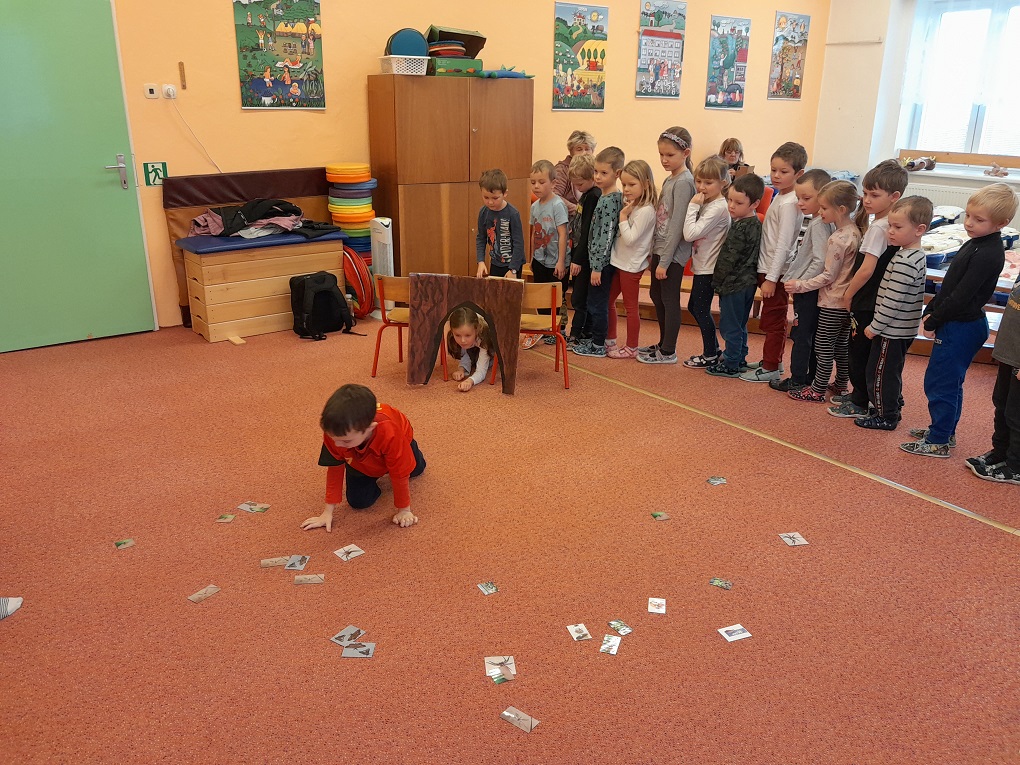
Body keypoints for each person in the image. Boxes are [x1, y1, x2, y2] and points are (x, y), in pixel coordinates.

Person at [901, 183, 1019, 456]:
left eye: (979, 220)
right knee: (948, 381)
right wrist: (931, 309)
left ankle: (939, 440)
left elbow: (962, 296)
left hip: (962, 326)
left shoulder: (989, 252)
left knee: (941, 382)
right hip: (957, 321)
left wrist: (933, 321)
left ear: (1001, 224)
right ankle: (944, 430)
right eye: (968, 215)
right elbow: (951, 285)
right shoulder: (975, 243)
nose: (969, 223)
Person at [828, 159, 909, 418]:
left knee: (859, 351)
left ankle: (861, 400)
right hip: (876, 298)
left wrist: (848, 293)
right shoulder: (888, 225)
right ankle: (865, 395)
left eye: (874, 195)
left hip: (867, 299)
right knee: (866, 351)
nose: (866, 200)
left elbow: (866, 269)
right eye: (864, 193)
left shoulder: (879, 228)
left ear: (894, 197)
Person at [849, 196, 931, 430]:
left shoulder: (905, 260)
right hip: (898, 328)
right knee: (889, 370)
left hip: (892, 330)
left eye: (897, 227)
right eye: (890, 226)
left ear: (919, 230)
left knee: (880, 373)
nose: (890, 232)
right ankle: (892, 405)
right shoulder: (911, 254)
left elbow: (893, 301)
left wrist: (875, 327)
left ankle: (886, 415)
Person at [301, 384, 425, 531]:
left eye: (345, 441)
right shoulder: (336, 433)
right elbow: (334, 469)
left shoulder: (389, 431)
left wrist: (404, 510)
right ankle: (374, 468)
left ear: (369, 428)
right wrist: (327, 513)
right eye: (334, 439)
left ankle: (412, 454)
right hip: (357, 457)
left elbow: (400, 473)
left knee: (416, 469)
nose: (337, 445)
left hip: (398, 442)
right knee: (359, 501)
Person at [784, 180, 862, 402]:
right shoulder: (855, 231)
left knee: (823, 347)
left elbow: (828, 275)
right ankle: (841, 384)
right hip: (844, 301)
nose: (821, 211)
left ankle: (817, 390)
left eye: (825, 208)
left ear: (841, 209)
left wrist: (800, 285)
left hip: (832, 302)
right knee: (840, 347)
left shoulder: (838, 238)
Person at [740, 142, 807, 382]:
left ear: (799, 174)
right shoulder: (781, 196)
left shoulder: (790, 204)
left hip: (775, 272)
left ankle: (770, 367)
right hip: (768, 268)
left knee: (775, 320)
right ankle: (772, 361)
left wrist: (771, 278)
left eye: (783, 171)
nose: (776, 175)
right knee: (770, 319)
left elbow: (784, 245)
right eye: (773, 170)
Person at [770, 168, 834, 391]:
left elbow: (820, 261)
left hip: (808, 290)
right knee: (809, 334)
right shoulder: (821, 221)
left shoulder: (818, 224)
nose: (800, 203)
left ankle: (797, 379)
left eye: (806, 198)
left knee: (801, 335)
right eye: (798, 198)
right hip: (811, 288)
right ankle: (810, 377)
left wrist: (801, 284)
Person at [640, 127, 695, 365]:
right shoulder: (670, 178)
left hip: (672, 254)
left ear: (685, 153)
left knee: (670, 299)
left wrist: (664, 260)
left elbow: (677, 225)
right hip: (661, 249)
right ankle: (663, 343)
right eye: (661, 154)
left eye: (670, 155)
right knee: (656, 295)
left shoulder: (684, 182)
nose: (664, 159)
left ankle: (669, 350)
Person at [706, 174, 765, 377]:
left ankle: (731, 363)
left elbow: (727, 260)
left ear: (754, 204)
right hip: (747, 284)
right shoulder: (754, 223)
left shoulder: (741, 227)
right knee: (740, 323)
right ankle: (739, 357)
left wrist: (716, 282)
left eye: (738, 203)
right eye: (729, 200)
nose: (731, 206)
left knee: (730, 325)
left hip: (734, 285)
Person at [964, 274, 1020, 484]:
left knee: (1016, 414)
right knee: (1002, 404)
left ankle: (1016, 466)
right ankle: (1001, 452)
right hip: (1009, 353)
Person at [572, 146, 625, 358]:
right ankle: (595, 340)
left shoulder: (611, 200)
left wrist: (597, 267)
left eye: (604, 173)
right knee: (594, 303)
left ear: (617, 174)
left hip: (601, 264)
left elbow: (605, 237)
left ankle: (598, 344)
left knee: (597, 305)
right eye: (596, 172)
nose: (598, 177)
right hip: (598, 262)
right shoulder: (604, 196)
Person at [681, 155, 732, 367]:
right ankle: (714, 350)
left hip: (709, 268)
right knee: (695, 306)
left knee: (700, 309)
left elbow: (690, 234)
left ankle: (710, 353)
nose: (701, 187)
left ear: (723, 183)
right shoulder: (709, 203)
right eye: (699, 181)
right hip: (702, 265)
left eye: (708, 182)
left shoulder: (718, 207)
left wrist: (692, 207)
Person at [606, 159, 658, 359]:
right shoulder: (633, 205)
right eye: (624, 184)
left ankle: (632, 347)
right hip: (619, 261)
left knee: (630, 308)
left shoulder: (646, 211)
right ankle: (610, 339)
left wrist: (623, 216)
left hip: (631, 266)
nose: (626, 189)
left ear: (645, 184)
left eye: (631, 184)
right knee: (608, 300)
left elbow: (629, 239)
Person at [524, 160, 570, 349]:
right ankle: (545, 328)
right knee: (541, 294)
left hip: (555, 261)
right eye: (533, 182)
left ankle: (559, 329)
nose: (536, 186)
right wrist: (531, 258)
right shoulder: (535, 206)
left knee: (557, 297)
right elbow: (533, 233)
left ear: (553, 183)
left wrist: (561, 261)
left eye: (541, 182)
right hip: (540, 259)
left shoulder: (557, 205)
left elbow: (562, 234)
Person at [565, 153, 602, 347]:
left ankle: (576, 334)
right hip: (579, 252)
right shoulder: (587, 194)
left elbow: (587, 230)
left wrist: (577, 259)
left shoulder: (593, 196)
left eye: (579, 184)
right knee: (580, 297)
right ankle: (585, 331)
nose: (577, 188)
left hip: (585, 257)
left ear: (591, 178)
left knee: (580, 298)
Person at [475, 169, 524, 279]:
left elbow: (519, 244)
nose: (490, 202)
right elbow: (481, 238)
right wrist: (481, 261)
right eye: (486, 197)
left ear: (505, 193)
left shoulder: (513, 214)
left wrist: (513, 269)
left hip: (513, 265)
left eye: (495, 198)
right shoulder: (483, 212)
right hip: (496, 263)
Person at [446, 306, 495, 393]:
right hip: (474, 345)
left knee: (489, 361)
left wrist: (470, 381)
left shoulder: (484, 338)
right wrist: (461, 369)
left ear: (477, 330)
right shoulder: (457, 336)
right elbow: (466, 352)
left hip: (490, 345)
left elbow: (481, 370)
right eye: (457, 335)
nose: (462, 340)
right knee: (467, 347)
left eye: (467, 335)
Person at [553, 130, 596, 215]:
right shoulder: (562, 169)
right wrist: (579, 210)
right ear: (571, 151)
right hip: (568, 217)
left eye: (587, 149)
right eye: (579, 149)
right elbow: (554, 196)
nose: (584, 153)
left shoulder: (596, 168)